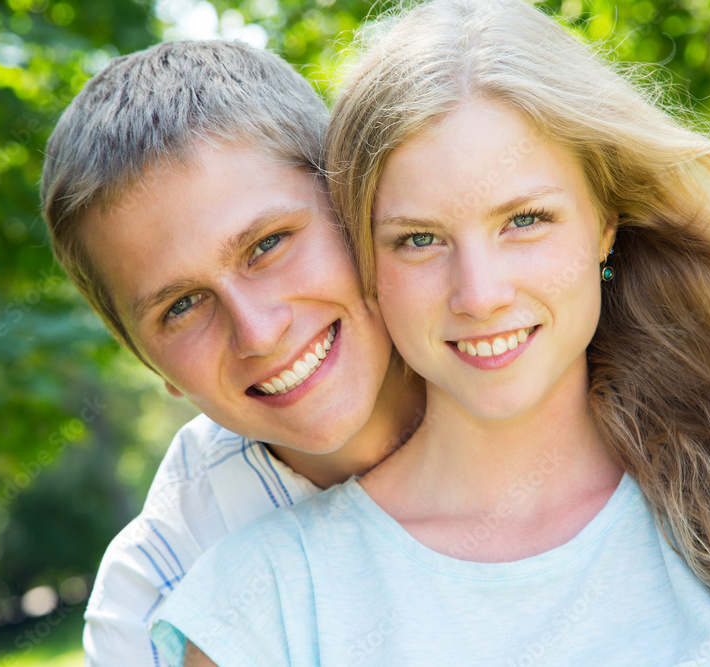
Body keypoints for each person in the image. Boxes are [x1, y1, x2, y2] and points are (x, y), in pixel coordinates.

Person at [151, 0, 710, 665]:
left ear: (604, 225)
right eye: (419, 238)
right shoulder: (264, 608)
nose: (480, 294)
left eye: (525, 220)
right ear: (367, 263)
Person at [40, 40, 423, 665]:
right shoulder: (151, 607)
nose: (259, 333)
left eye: (269, 244)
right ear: (149, 364)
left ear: (353, 203)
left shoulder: (531, 364)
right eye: (182, 306)